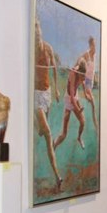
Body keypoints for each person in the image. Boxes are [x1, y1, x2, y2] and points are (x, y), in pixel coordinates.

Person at [34, 21, 62, 190]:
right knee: (48, 135)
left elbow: (54, 69)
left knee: (43, 131)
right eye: (35, 35)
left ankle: (39, 128)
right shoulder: (32, 51)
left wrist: (56, 89)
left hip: (47, 94)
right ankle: (58, 176)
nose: (38, 37)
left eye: (39, 34)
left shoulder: (48, 48)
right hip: (36, 96)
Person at [54, 59, 87, 151]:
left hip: (75, 96)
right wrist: (78, 110)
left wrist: (85, 93)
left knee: (82, 122)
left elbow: (83, 83)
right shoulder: (73, 74)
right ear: (78, 72)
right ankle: (54, 144)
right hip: (69, 99)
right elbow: (72, 99)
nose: (83, 78)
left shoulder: (82, 73)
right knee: (64, 134)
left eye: (84, 75)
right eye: (82, 76)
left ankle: (79, 138)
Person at [76, 37, 98, 132]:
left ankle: (80, 107)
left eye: (95, 45)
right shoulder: (87, 54)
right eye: (93, 45)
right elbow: (79, 60)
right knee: (93, 103)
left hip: (91, 81)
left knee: (91, 102)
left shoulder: (95, 55)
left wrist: (95, 77)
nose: (95, 47)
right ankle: (96, 127)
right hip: (86, 81)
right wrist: (76, 68)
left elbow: (92, 69)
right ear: (90, 45)